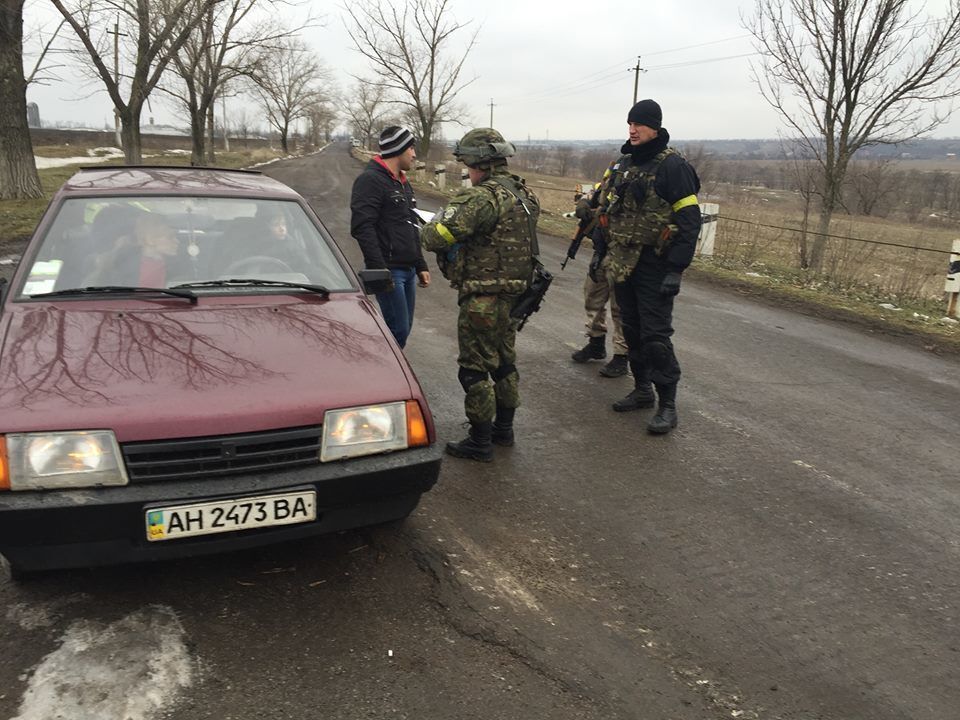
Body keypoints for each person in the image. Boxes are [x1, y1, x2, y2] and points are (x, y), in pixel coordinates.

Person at [421, 128, 539, 462]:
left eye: (467, 164)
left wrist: (433, 224)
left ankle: (480, 439)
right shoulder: (523, 195)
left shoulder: (481, 198)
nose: (467, 171)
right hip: (514, 296)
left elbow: (435, 236)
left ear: (479, 163)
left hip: (483, 298)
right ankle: (504, 430)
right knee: (504, 363)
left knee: (474, 368)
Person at [585, 99, 702, 434]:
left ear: (655, 127)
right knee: (632, 331)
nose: (632, 130)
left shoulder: (672, 167)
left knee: (655, 337)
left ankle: (668, 404)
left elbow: (690, 221)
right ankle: (642, 390)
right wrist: (599, 252)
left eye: (639, 124)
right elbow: (608, 215)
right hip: (622, 263)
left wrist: (675, 270)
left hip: (655, 264)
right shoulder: (624, 165)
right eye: (630, 124)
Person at [350, 126, 431, 348]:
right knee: (397, 332)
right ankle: (378, 376)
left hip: (409, 271)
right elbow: (362, 227)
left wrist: (420, 264)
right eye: (411, 148)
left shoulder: (403, 182)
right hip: (389, 270)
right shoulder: (370, 180)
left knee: (402, 332)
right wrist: (380, 270)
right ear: (399, 149)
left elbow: (412, 225)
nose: (414, 154)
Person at [571, 181, 629, 378]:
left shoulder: (647, 175)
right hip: (602, 248)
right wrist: (584, 204)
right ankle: (596, 343)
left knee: (619, 307)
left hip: (626, 253)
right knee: (592, 296)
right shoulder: (616, 171)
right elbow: (596, 197)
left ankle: (621, 356)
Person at [87, 213, 180, 287]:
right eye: (170, 237)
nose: (177, 241)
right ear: (150, 239)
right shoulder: (123, 266)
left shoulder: (177, 262)